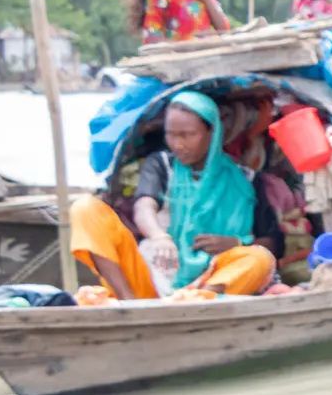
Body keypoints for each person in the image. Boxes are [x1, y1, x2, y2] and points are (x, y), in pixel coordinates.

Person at [69, 91, 282, 300]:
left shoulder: (246, 179)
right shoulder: (161, 165)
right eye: (171, 134)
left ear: (212, 133)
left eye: (187, 135)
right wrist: (158, 236)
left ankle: (196, 300)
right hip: (151, 282)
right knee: (85, 208)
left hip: (212, 283)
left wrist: (236, 244)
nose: (178, 144)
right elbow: (144, 206)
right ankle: (129, 302)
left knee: (259, 258)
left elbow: (273, 242)